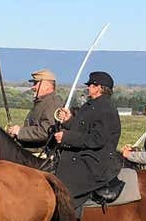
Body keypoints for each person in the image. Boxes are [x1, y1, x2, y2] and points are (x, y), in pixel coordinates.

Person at [51, 71, 123, 202]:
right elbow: (83, 129)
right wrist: (68, 121)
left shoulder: (106, 109)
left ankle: (72, 215)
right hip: (84, 153)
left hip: (96, 161)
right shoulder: (91, 105)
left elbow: (97, 139)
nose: (88, 87)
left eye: (91, 85)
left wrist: (67, 138)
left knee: (65, 189)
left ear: (100, 88)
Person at [6, 68, 64, 151]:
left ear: (47, 86)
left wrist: (20, 132)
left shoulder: (53, 103)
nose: (33, 87)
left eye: (36, 83)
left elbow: (46, 131)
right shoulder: (42, 102)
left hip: (42, 155)